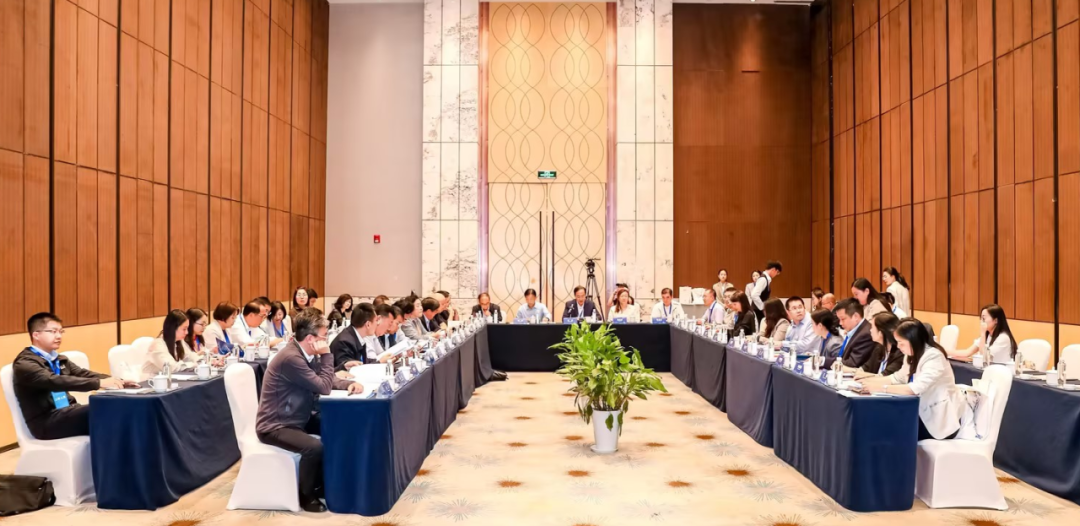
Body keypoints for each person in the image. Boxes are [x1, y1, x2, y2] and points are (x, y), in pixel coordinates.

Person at [256, 309, 362, 513]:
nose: (326, 340)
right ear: (311, 339)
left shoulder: (305, 353)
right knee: (314, 447)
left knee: (337, 428)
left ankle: (324, 483)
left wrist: (347, 384)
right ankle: (306, 496)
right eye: (324, 336)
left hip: (298, 417)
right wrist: (327, 355)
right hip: (276, 424)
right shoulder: (291, 358)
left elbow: (322, 378)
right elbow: (323, 386)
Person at [12, 313, 136, 440]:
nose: (59, 336)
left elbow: (83, 374)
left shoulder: (58, 359)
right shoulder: (25, 363)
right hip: (47, 421)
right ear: (36, 335)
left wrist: (116, 381)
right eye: (53, 331)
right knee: (105, 409)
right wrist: (99, 384)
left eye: (61, 331)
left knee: (117, 409)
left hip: (69, 411)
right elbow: (53, 380)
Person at [862, 320, 965, 441]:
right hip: (918, 411)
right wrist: (868, 382)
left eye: (901, 343)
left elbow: (915, 388)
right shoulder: (911, 354)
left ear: (913, 340)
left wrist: (881, 388)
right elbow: (899, 378)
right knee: (880, 421)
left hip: (938, 419)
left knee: (888, 428)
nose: (898, 347)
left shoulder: (934, 356)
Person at [951, 304, 1018, 364]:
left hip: (1000, 371)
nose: (981, 321)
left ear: (996, 320)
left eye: (984, 318)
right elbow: (967, 352)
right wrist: (946, 351)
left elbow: (984, 356)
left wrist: (982, 333)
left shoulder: (1003, 337)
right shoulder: (988, 335)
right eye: (981, 318)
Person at [143, 309, 199, 379]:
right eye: (184, 329)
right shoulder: (158, 345)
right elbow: (171, 367)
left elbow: (190, 356)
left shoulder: (179, 341)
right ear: (173, 328)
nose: (187, 332)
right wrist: (193, 364)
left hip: (169, 379)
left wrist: (202, 361)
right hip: (153, 381)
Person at [330, 303, 377, 371]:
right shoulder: (344, 342)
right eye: (376, 321)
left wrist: (380, 362)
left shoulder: (356, 336)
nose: (377, 324)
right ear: (368, 324)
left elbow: (363, 362)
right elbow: (349, 371)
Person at [857, 312, 904, 377]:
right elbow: (864, 369)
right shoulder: (879, 348)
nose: (870, 330)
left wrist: (863, 375)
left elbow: (884, 377)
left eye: (872, 327)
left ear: (880, 333)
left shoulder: (900, 353)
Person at [834, 299, 875, 368]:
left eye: (843, 319)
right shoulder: (856, 330)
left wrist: (826, 362)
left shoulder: (865, 335)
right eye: (839, 319)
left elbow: (852, 363)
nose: (840, 323)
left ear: (856, 316)